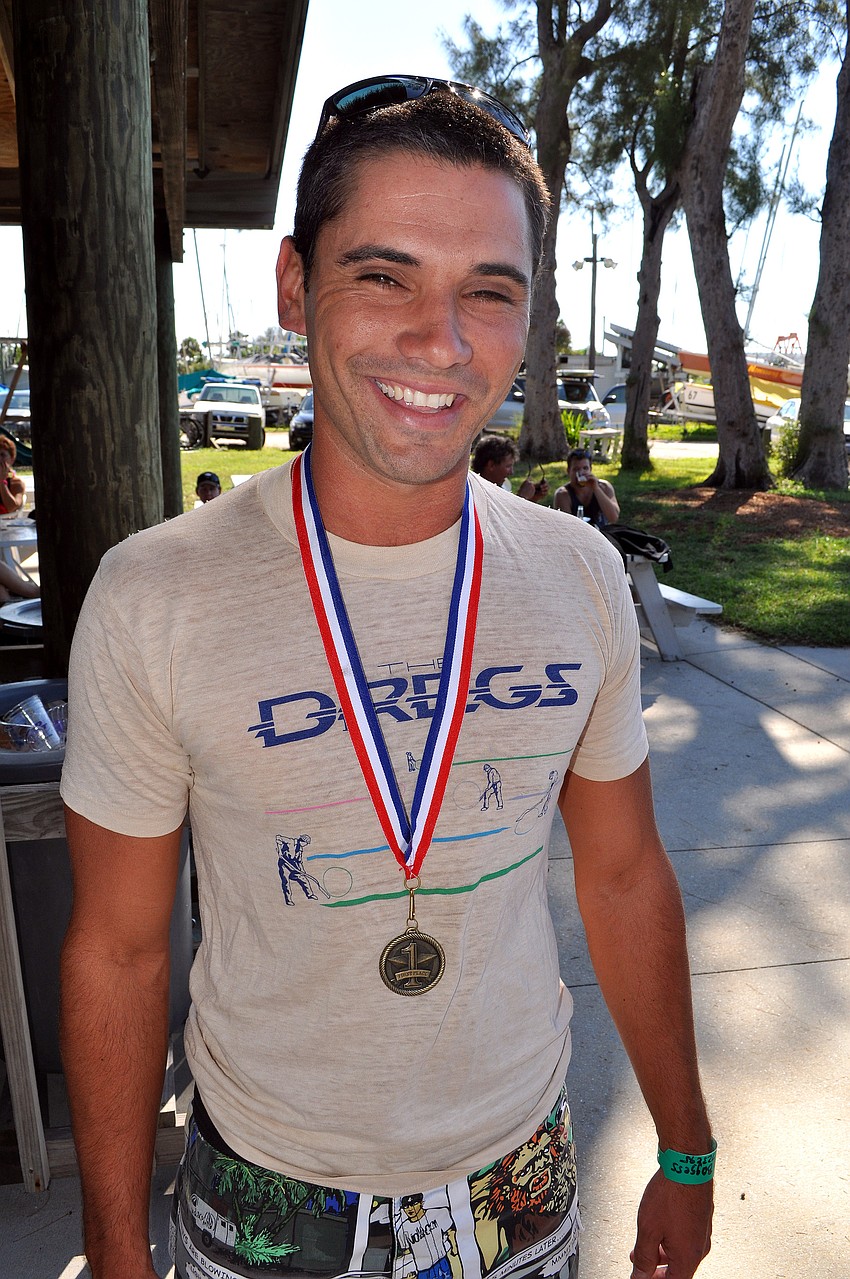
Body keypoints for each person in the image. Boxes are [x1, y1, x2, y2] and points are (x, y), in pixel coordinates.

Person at [60, 76, 714, 1279]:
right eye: (383, 274)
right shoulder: (157, 594)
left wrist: (685, 1148)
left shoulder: (573, 573)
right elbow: (116, 950)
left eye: (489, 293)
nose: (440, 339)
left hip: (520, 1176)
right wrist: (113, 1247)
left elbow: (622, 878)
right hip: (265, 1190)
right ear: (295, 287)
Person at [553, 449, 619, 528]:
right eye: (576, 469)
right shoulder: (563, 494)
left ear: (590, 469)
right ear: (568, 471)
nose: (581, 473)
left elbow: (613, 518)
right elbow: (566, 527)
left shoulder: (604, 487)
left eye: (585, 468)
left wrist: (596, 489)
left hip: (602, 535)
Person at [471, 434, 548, 501]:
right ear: (491, 465)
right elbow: (504, 515)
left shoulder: (505, 486)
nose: (511, 472)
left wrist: (533, 498)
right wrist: (523, 497)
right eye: (508, 466)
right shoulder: (475, 492)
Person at [0, 434, 26, 514]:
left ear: (12, 459)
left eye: (2, 455)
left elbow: (12, 508)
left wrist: (2, 482)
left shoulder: (16, 483)